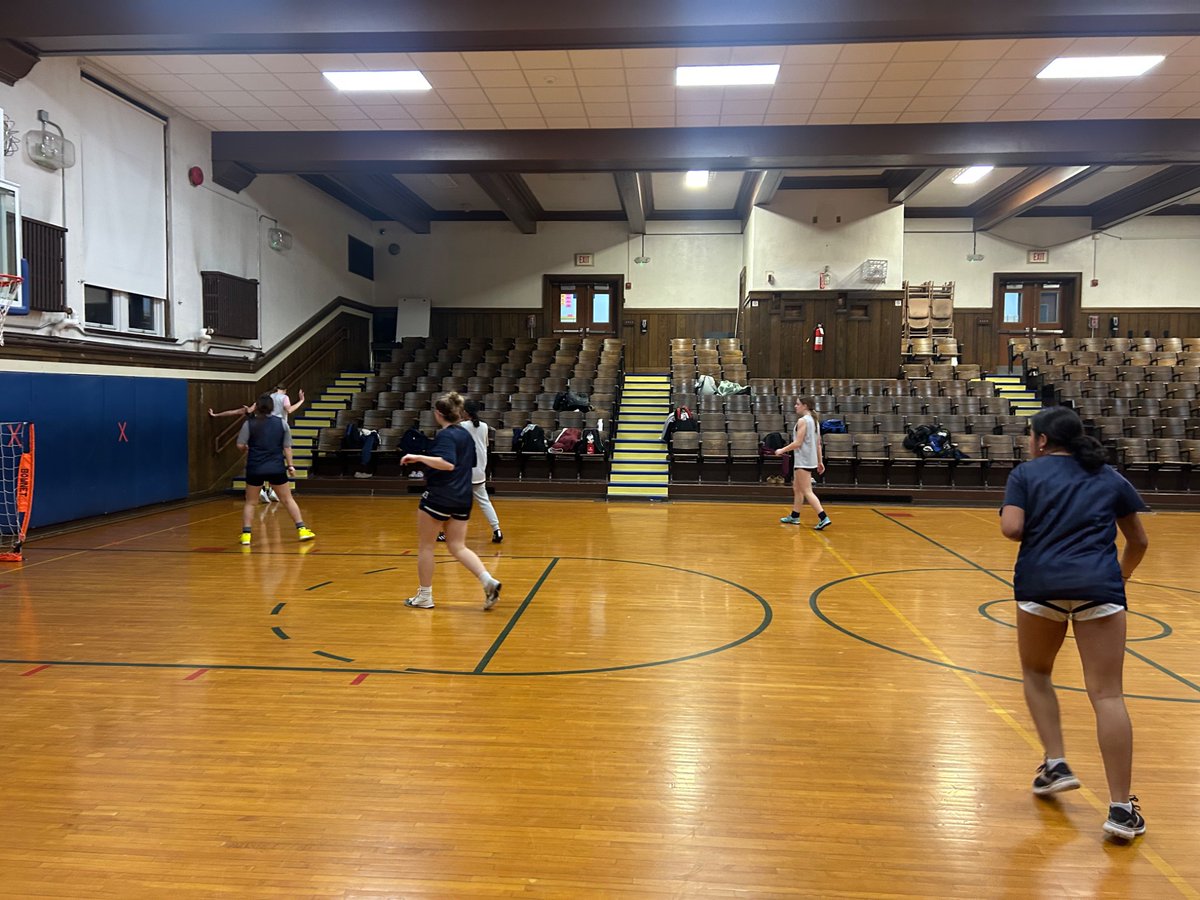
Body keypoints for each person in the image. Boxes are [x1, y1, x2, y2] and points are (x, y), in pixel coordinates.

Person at [999, 406, 1149, 840]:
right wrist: (1119, 577)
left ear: (1042, 441)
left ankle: (1056, 761)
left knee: (1037, 672)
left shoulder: (1025, 476)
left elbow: (1012, 529)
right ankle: (1121, 809)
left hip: (1040, 585)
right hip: (1099, 587)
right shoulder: (1108, 476)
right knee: (1107, 694)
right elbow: (1138, 540)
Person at [400, 392, 502, 611]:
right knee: (457, 546)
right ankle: (487, 581)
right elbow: (469, 463)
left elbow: (447, 464)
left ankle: (425, 596)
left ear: (438, 413)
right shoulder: (466, 435)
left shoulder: (446, 436)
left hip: (440, 495)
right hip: (463, 496)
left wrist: (417, 457)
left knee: (426, 547)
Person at [236, 394, 316, 546]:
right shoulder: (282, 424)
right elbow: (287, 447)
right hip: (276, 467)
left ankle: (246, 535)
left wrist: (248, 448)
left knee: (251, 502)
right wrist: (290, 465)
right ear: (272, 407)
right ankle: (302, 529)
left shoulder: (249, 424)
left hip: (255, 467)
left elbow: (240, 445)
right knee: (287, 499)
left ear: (257, 407)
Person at [211, 384, 305, 501]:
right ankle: (272, 490)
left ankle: (261, 490)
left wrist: (216, 415)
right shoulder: (284, 398)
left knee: (255, 463)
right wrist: (301, 401)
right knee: (274, 462)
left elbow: (239, 411)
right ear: (285, 390)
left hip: (257, 433)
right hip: (275, 431)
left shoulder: (265, 399)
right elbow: (289, 409)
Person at [438, 399, 503, 543]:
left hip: (465, 471)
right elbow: (484, 446)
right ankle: (497, 530)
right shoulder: (485, 426)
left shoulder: (461, 426)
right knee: (485, 502)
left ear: (465, 412)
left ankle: (445, 532)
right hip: (480, 470)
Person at [775, 396, 830, 530]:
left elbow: (798, 443)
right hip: (809, 459)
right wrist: (820, 461)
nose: (795, 406)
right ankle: (795, 515)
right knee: (797, 488)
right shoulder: (814, 421)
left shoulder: (803, 421)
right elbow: (818, 444)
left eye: (798, 404)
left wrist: (782, 450)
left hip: (803, 460)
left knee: (807, 491)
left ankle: (823, 517)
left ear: (805, 406)